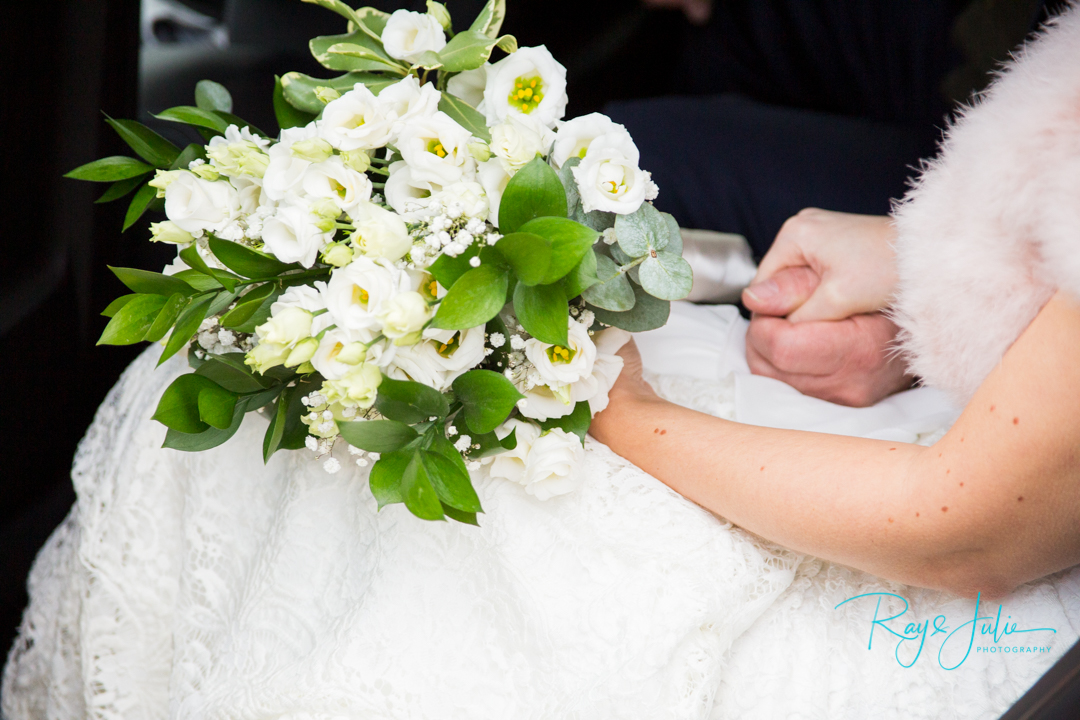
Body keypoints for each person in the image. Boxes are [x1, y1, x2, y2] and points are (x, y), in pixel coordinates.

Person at [4, 8, 1080, 720]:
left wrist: (606, 404)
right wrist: (920, 263)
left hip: (964, 548)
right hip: (984, 419)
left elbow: (967, 530)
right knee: (244, 395)